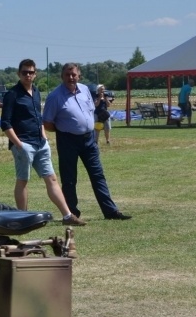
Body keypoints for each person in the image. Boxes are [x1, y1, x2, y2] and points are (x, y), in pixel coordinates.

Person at [0, 59, 85, 226]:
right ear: (19, 74)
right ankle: (22, 219)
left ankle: (68, 216)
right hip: (23, 144)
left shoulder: (36, 92)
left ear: (35, 74)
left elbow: (39, 118)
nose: (28, 75)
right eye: (25, 72)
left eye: (31, 72)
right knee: (23, 180)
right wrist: (18, 144)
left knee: (52, 179)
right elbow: (5, 123)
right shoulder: (12, 94)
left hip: (40, 143)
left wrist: (44, 136)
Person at [42, 63, 131, 221]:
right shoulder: (55, 96)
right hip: (67, 139)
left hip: (89, 139)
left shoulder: (85, 90)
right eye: (67, 75)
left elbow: (90, 110)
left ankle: (110, 211)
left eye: (74, 75)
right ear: (62, 77)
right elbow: (47, 123)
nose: (71, 78)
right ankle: (72, 213)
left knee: (98, 175)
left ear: (79, 76)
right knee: (69, 179)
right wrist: (64, 128)